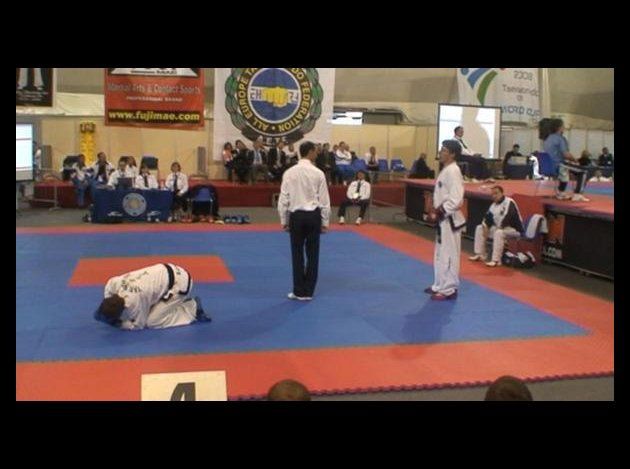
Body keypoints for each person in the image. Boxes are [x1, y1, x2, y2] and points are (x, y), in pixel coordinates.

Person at [278, 141, 331, 301]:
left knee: (297, 254)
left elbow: (283, 199)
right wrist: (325, 222)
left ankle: (298, 290)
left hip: (296, 216)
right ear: (310, 152)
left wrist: (284, 220)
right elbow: (324, 200)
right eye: (315, 151)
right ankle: (308, 291)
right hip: (313, 216)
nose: (317, 153)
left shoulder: (289, 173)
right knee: (313, 253)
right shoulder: (318, 173)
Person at [94, 263, 211, 330]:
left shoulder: (133, 303)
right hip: (166, 270)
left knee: (153, 321)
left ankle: (192, 308)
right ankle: (164, 303)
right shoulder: (115, 283)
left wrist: (119, 324)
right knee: (148, 303)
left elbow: (138, 324)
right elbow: (108, 291)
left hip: (180, 284)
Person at [424, 140, 465, 301]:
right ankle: (439, 284)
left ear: (453, 154)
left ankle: (449, 288)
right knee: (440, 253)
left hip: (450, 219)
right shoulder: (446, 170)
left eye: (444, 150)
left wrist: (440, 212)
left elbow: (456, 199)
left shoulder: (454, 171)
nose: (441, 152)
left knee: (449, 254)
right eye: (441, 149)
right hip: (443, 219)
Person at [469, 186, 524, 267]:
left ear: (502, 193)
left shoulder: (509, 202)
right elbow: (487, 218)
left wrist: (496, 228)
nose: (494, 196)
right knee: (480, 228)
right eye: (492, 194)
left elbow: (507, 217)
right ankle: (480, 254)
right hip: (500, 228)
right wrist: (485, 227)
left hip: (513, 229)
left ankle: (496, 260)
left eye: (496, 193)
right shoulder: (493, 205)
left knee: (498, 233)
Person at [540, 118, 589, 202]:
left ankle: (561, 192)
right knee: (583, 172)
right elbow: (566, 155)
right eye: (563, 126)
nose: (564, 128)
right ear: (560, 127)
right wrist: (575, 160)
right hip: (559, 165)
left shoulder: (547, 139)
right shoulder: (560, 139)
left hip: (550, 166)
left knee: (567, 169)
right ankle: (578, 194)